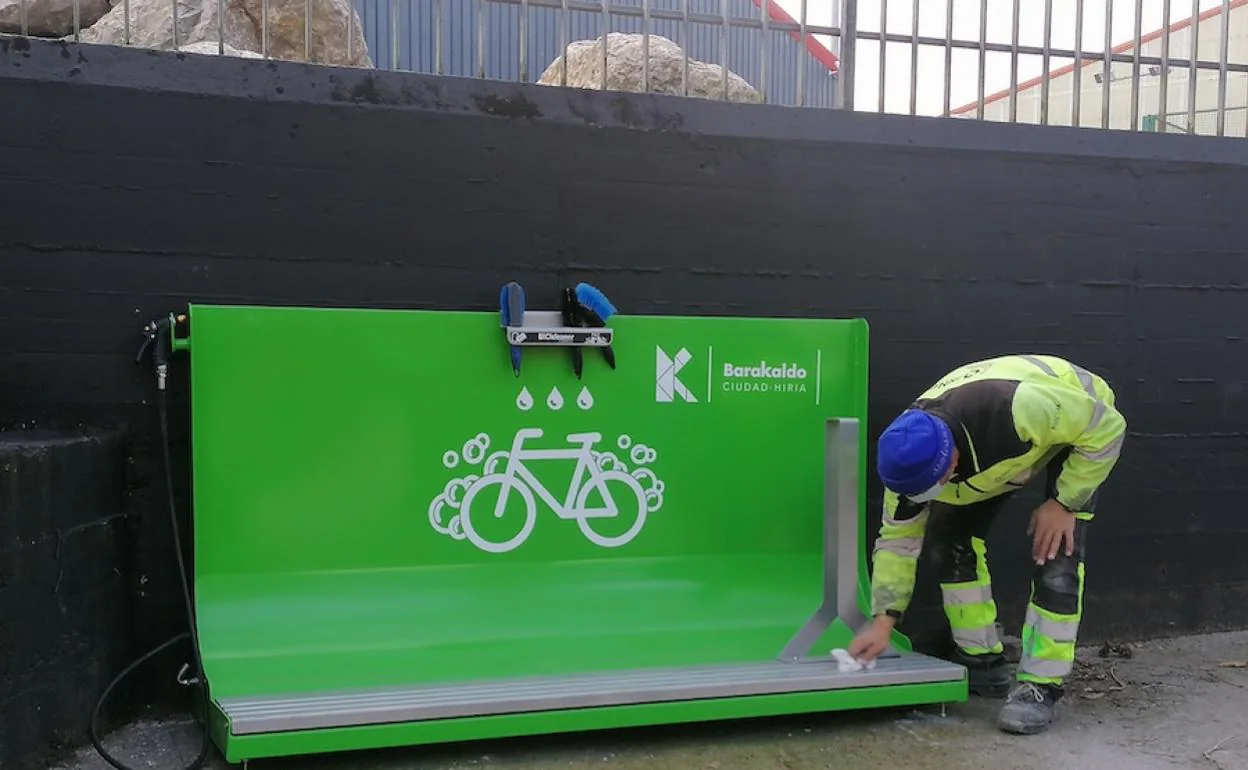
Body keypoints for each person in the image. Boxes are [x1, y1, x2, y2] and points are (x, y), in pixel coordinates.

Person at [847, 354, 1126, 735]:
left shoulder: (1014, 408)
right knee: (949, 540)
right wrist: (883, 622)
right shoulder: (906, 459)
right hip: (1001, 456)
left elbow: (1106, 427)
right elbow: (898, 543)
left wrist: (1064, 503)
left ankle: (1040, 686)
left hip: (1078, 421)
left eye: (933, 486)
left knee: (1056, 555)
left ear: (951, 462)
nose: (925, 497)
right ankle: (982, 662)